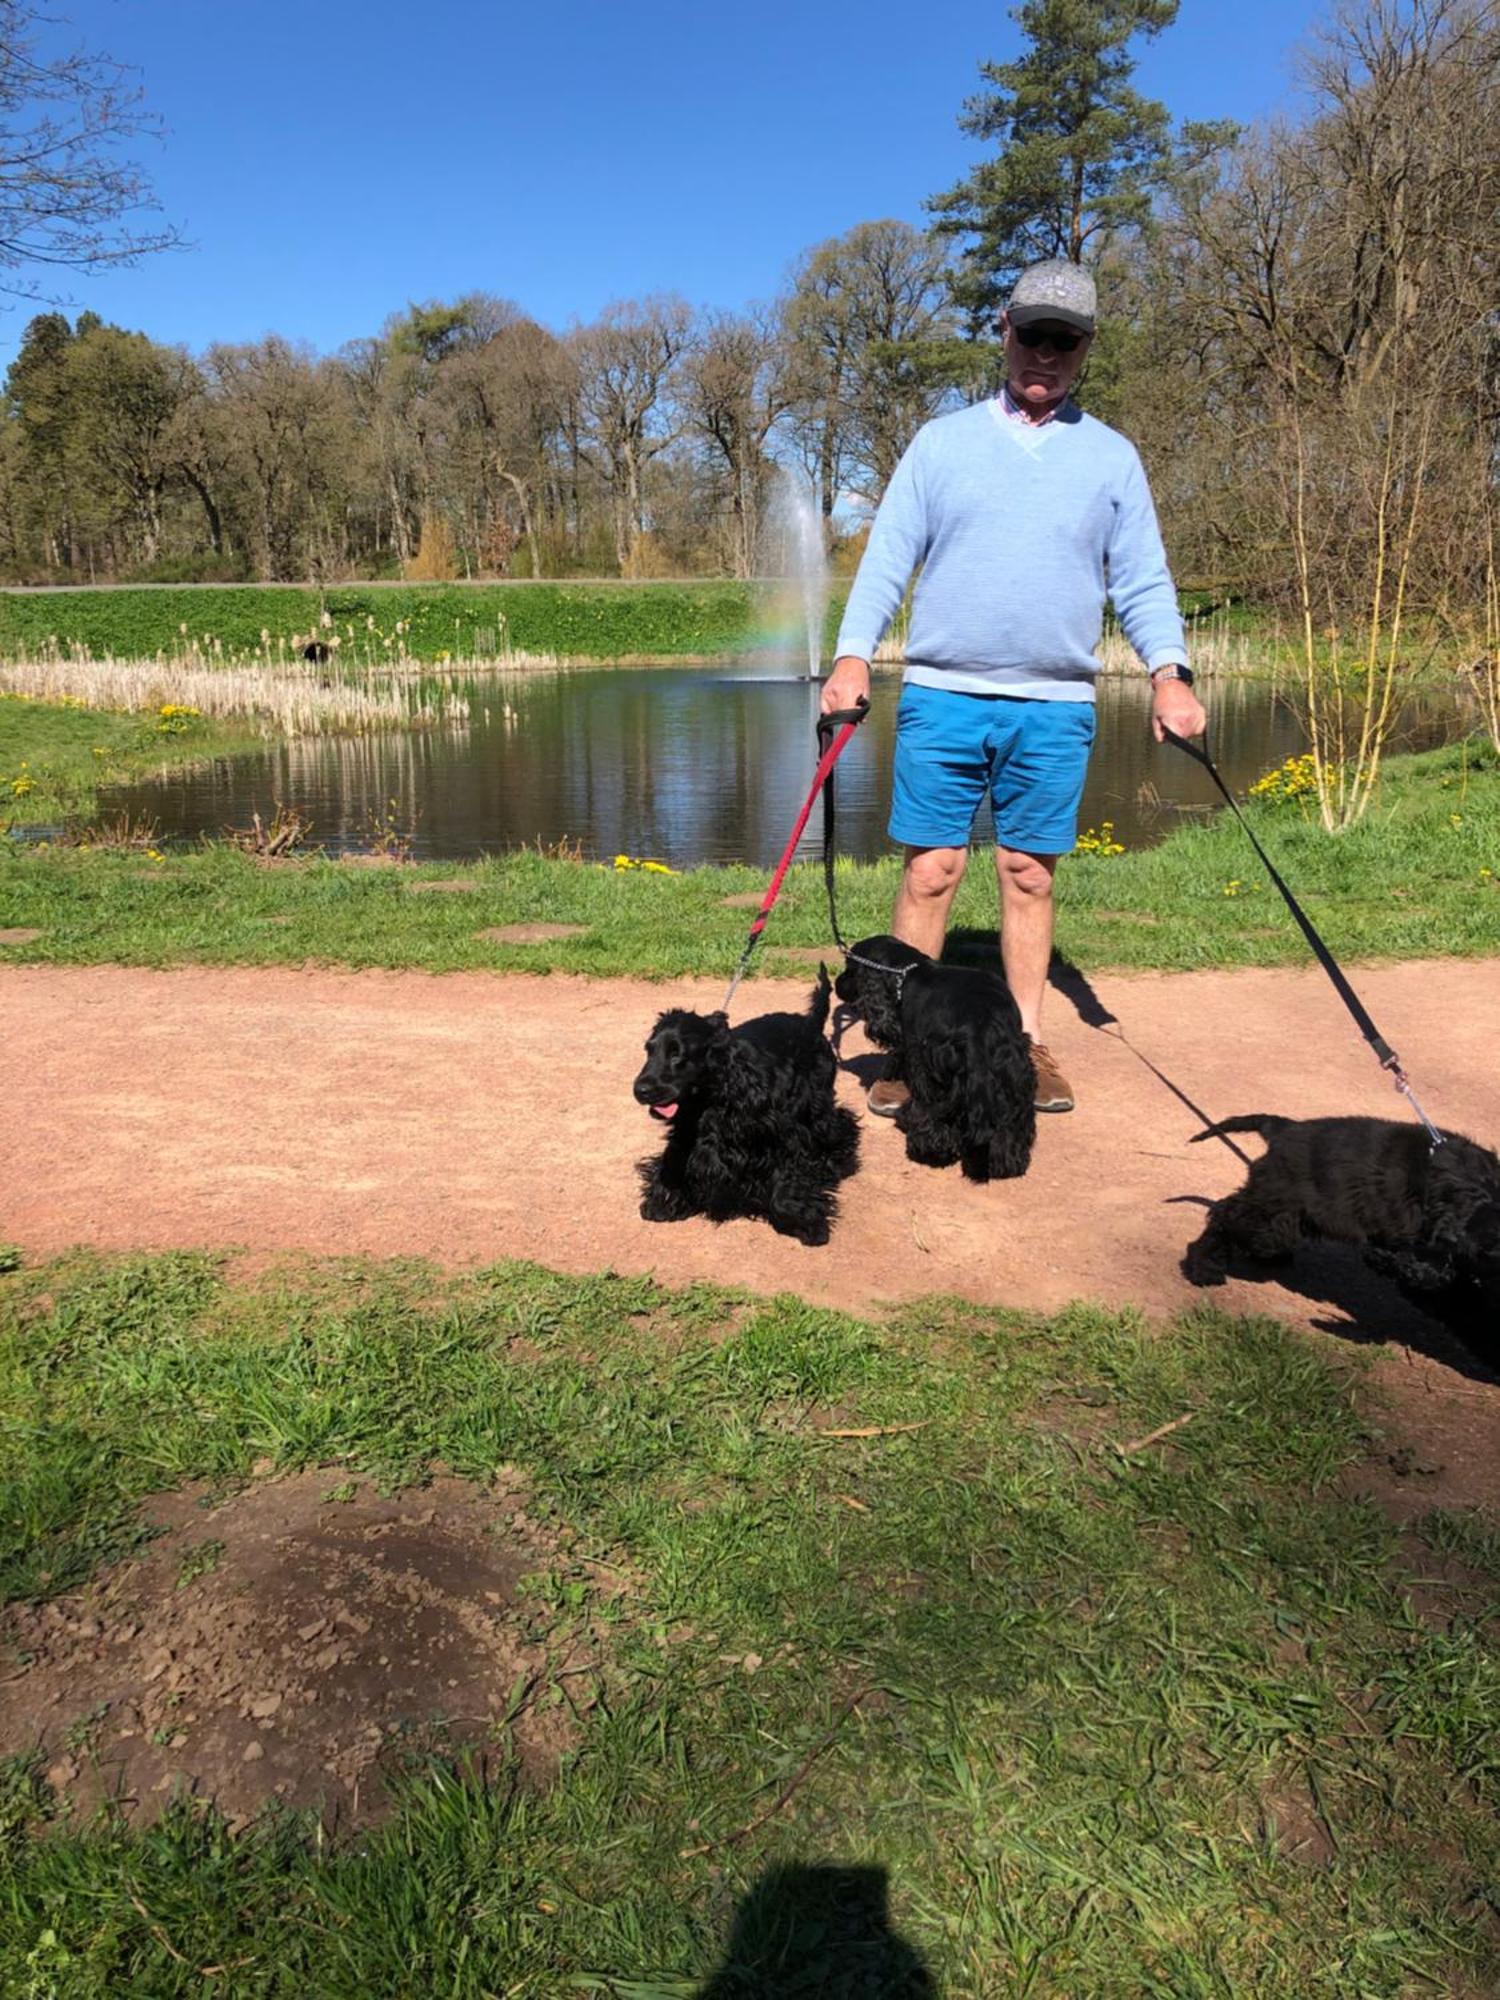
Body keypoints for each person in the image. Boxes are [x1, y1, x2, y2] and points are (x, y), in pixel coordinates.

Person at [820, 258, 1206, 1116]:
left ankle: (1024, 1045)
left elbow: (1143, 580)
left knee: (1029, 874)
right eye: (1032, 334)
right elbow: (888, 559)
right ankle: (912, 1050)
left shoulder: (1111, 458)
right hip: (942, 693)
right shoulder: (941, 442)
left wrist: (1169, 672)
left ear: (1084, 350)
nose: (1045, 354)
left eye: (1064, 341)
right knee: (931, 873)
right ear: (1005, 331)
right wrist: (853, 655)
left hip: (1056, 704)